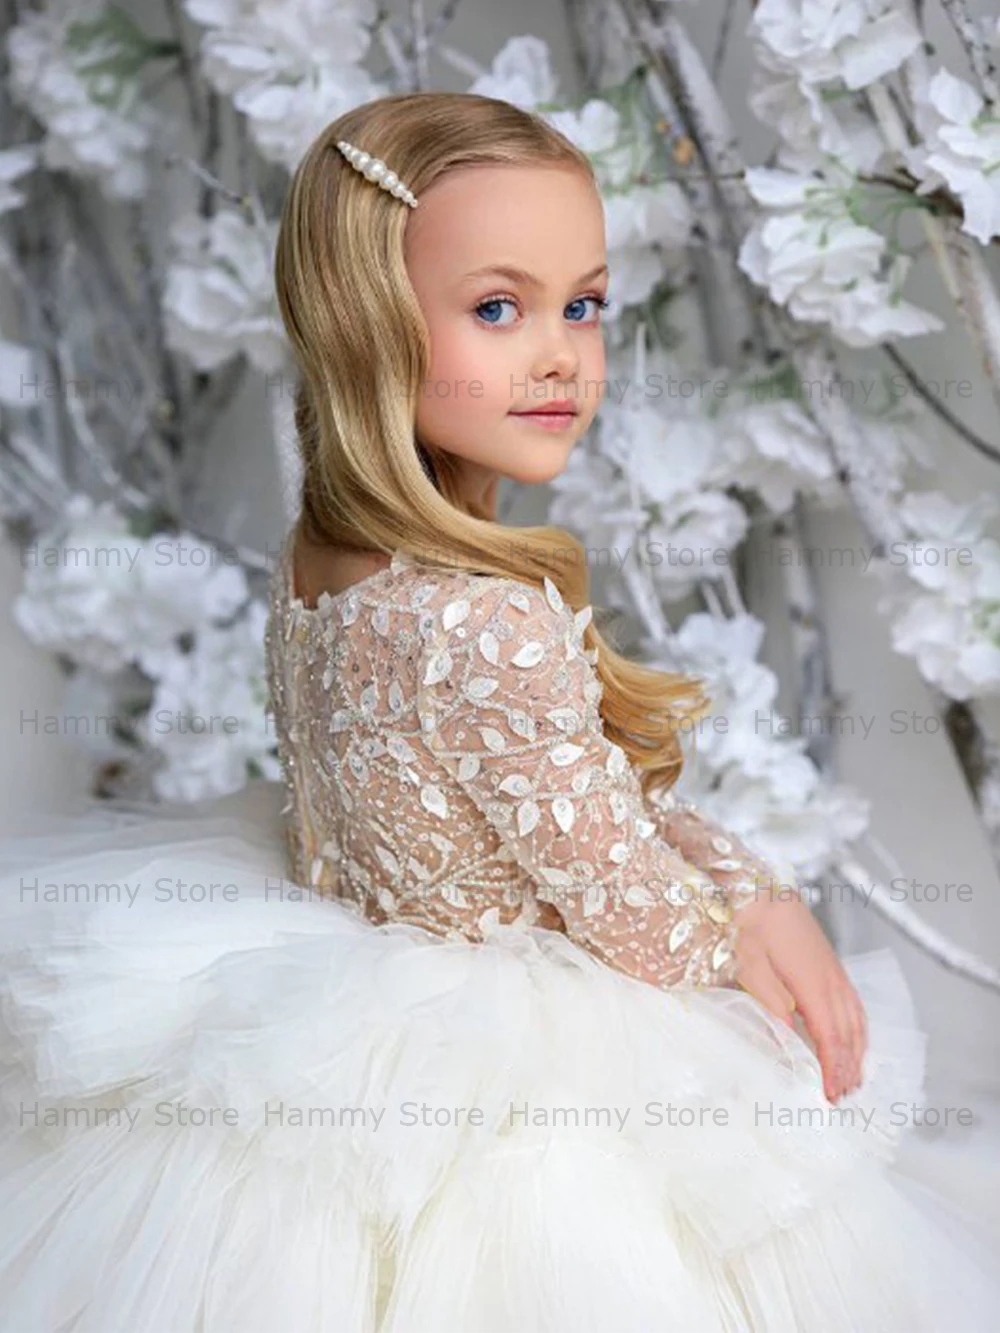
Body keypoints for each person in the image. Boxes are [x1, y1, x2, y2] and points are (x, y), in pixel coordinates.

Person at [0, 90, 997, 1331]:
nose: (561, 356)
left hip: (333, 1012)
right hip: (492, 1070)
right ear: (366, 321)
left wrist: (738, 873)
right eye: (496, 307)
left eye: (583, 304)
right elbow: (634, 919)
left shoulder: (322, 555)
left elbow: (567, 803)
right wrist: (748, 915)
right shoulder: (482, 618)